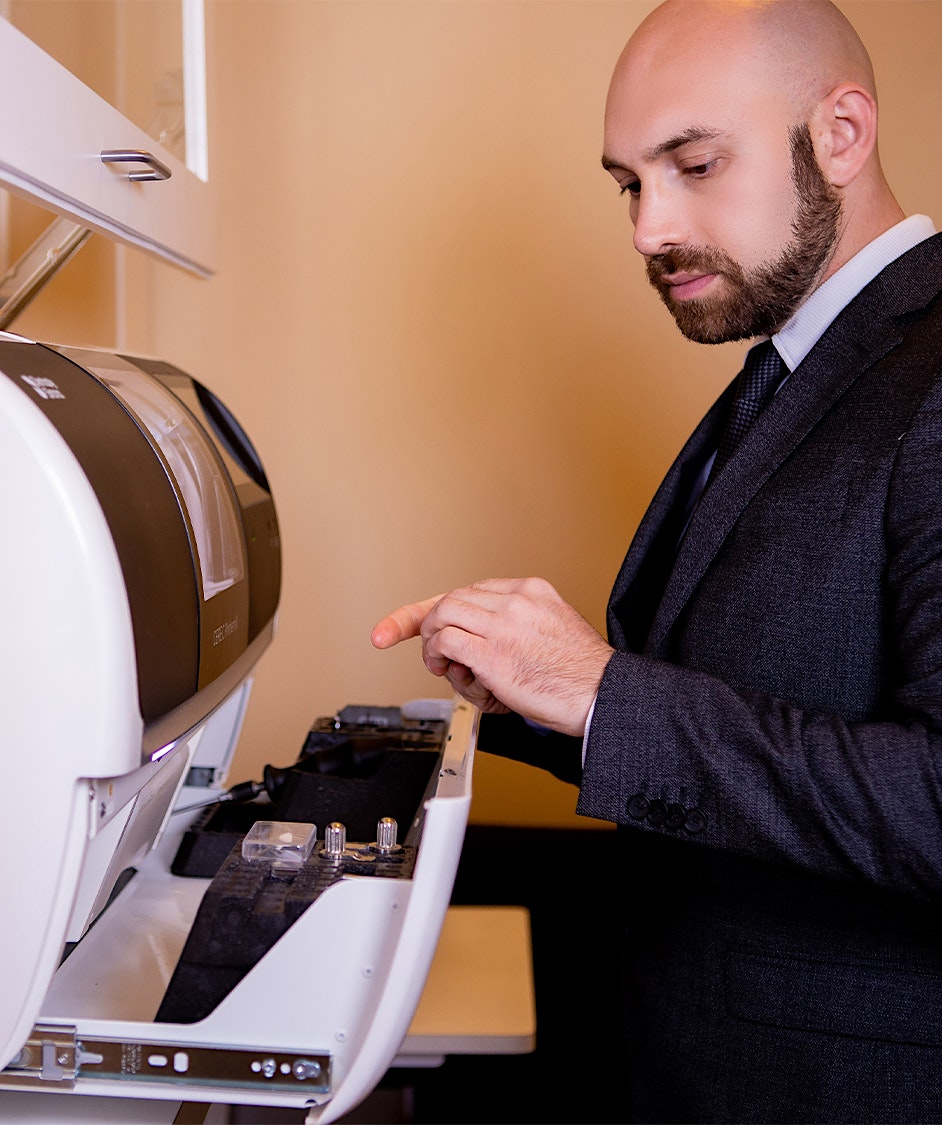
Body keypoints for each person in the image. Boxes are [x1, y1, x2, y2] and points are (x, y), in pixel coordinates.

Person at [372, 1, 942, 1120]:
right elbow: (769, 697)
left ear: (840, 134)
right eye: (631, 183)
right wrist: (550, 706)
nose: (646, 228)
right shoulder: (807, 360)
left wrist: (601, 691)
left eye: (692, 163)